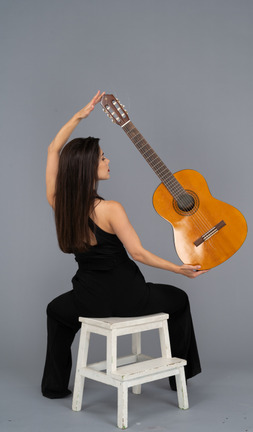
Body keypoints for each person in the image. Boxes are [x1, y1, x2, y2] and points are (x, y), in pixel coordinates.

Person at [41, 91, 208, 399]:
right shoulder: (110, 209)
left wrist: (78, 117)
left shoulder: (60, 205)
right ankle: (179, 378)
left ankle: (53, 387)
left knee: (56, 311)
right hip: (131, 298)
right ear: (89, 166)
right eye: (102, 157)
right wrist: (178, 269)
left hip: (87, 299)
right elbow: (138, 253)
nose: (107, 160)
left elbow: (53, 149)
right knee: (179, 299)